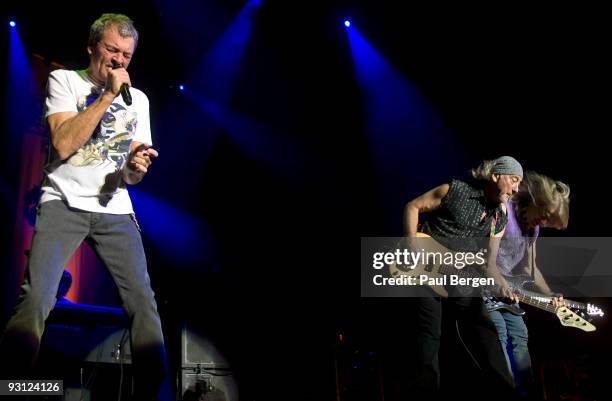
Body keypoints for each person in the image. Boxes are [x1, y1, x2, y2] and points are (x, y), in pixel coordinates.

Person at [0, 13, 172, 401]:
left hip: (115, 210)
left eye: (127, 55)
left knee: (143, 303)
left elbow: (131, 174)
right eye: (112, 50)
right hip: (63, 201)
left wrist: (136, 166)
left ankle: (157, 394)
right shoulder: (66, 81)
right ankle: (13, 388)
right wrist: (108, 95)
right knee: (37, 298)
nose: (119, 61)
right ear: (93, 46)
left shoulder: (138, 100)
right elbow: (62, 144)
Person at [403, 156, 523, 399]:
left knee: (482, 324)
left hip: (459, 275)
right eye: (513, 180)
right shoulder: (455, 190)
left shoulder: (500, 217)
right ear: (496, 175)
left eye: (519, 183)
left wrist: (503, 287)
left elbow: (489, 264)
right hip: (426, 269)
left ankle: (505, 391)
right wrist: (411, 244)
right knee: (429, 334)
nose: (516, 188)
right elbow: (412, 207)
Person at [489, 171, 570, 398]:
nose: (542, 224)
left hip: (510, 292)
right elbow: (486, 256)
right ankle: (507, 390)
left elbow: (529, 267)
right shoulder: (505, 210)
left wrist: (550, 293)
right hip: (486, 285)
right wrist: (497, 282)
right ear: (536, 200)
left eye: (547, 224)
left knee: (520, 336)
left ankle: (527, 393)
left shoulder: (532, 229)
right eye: (543, 216)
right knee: (500, 333)